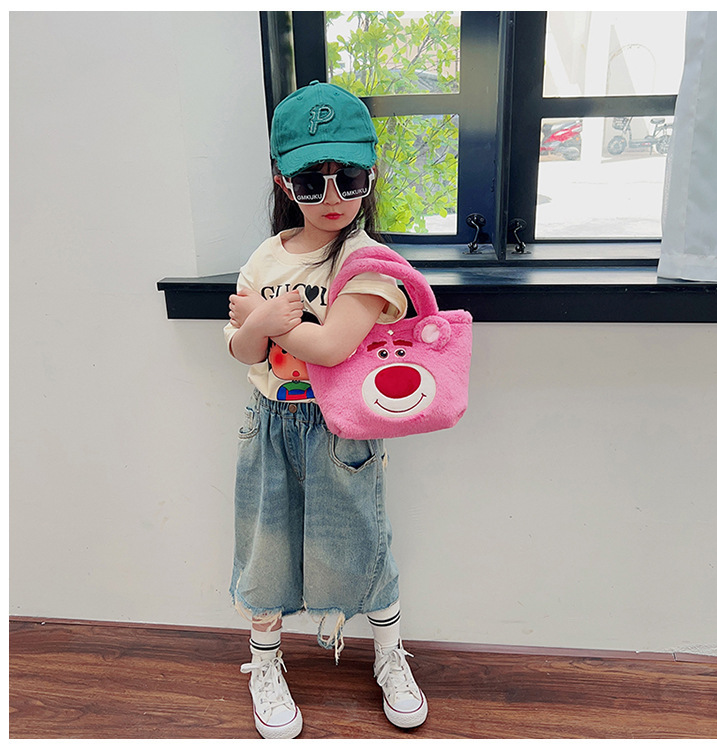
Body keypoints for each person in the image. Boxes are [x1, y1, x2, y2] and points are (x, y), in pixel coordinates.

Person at [223, 80, 428, 740]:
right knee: (265, 550)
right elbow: (240, 349)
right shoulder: (265, 256)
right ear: (283, 182)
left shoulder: (370, 263)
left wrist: (267, 320)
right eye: (312, 181)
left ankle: (391, 657)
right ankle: (264, 664)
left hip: (342, 432)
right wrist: (260, 327)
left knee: (362, 544)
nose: (333, 196)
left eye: (350, 178)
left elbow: (334, 347)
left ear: (373, 175)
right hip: (268, 424)